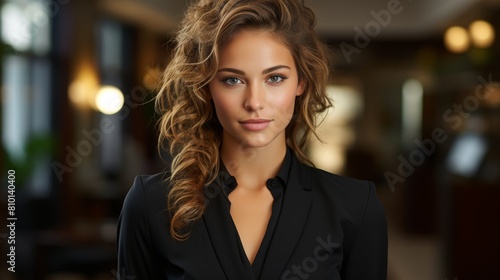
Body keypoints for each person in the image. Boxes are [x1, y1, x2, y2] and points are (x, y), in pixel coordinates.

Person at [117, 0, 388, 279]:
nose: (254, 102)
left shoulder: (356, 207)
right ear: (206, 87)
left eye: (275, 78)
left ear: (301, 82)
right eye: (233, 80)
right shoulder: (150, 204)